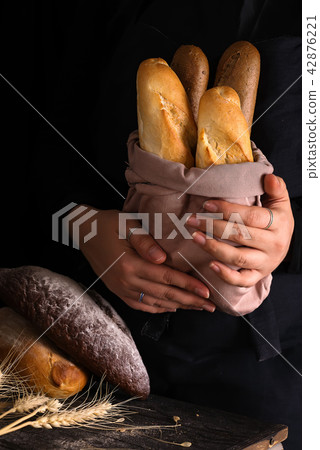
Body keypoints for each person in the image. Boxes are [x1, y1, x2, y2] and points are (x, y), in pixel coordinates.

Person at [1, 1, 301, 448]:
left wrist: (289, 245)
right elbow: (36, 154)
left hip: (267, 376)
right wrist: (80, 225)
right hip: (84, 351)